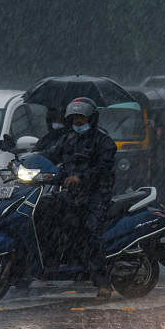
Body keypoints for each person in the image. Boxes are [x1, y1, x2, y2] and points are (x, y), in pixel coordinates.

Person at [43, 98, 117, 298]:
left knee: (92, 233)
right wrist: (21, 158)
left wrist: (81, 178)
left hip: (96, 194)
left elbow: (103, 168)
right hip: (72, 194)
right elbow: (49, 156)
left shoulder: (103, 141)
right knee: (48, 217)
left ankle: (103, 282)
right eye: (74, 118)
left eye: (81, 117)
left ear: (91, 118)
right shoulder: (67, 139)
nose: (78, 121)